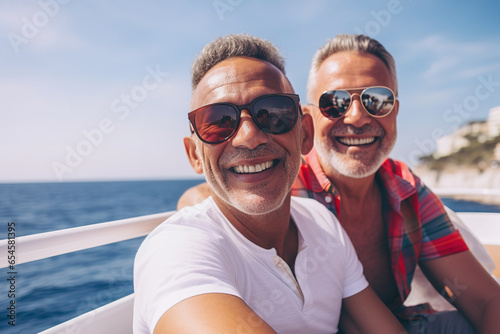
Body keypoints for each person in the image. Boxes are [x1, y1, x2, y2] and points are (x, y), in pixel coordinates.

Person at [177, 34, 500, 333]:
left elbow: (484, 300)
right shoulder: (279, 184)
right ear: (309, 120)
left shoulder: (407, 191)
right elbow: (211, 200)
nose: (358, 117)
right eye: (336, 102)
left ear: (395, 112)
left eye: (377, 100)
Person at [134, 34, 405, 334]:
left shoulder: (323, 225)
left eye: (273, 114)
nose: (249, 136)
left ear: (304, 134)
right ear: (194, 155)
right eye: (218, 121)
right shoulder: (176, 250)